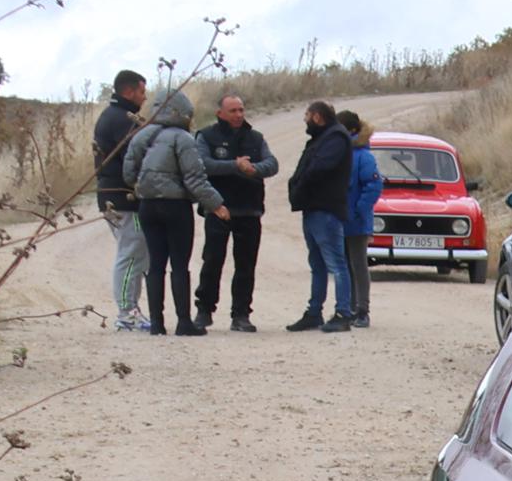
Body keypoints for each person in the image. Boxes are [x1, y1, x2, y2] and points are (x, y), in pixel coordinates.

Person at [122, 90, 225, 335]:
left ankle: (157, 323)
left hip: (147, 205)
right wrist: (217, 204)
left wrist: (142, 187)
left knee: (155, 264)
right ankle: (183, 322)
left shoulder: (140, 136)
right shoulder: (183, 138)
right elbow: (195, 178)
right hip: (176, 207)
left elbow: (128, 173)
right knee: (180, 264)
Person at [193, 90, 277, 333]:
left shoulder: (256, 137)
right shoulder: (207, 136)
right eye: (233, 110)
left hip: (249, 210)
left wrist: (253, 169)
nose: (239, 114)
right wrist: (234, 165)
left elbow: (272, 164)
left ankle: (241, 314)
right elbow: (202, 164)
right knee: (212, 261)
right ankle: (204, 310)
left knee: (246, 265)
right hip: (219, 209)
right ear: (220, 113)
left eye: (241, 110)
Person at [91, 69, 150, 329]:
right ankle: (126, 313)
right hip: (123, 198)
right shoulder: (120, 119)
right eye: (141, 91)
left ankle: (132, 310)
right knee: (131, 252)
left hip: (116, 196)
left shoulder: (118, 116)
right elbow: (136, 155)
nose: (145, 97)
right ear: (128, 91)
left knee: (137, 252)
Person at [284, 102, 350, 330]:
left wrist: (301, 185)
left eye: (307, 115)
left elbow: (319, 168)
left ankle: (343, 313)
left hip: (326, 210)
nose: (305, 119)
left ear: (318, 117)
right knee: (317, 264)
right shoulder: (322, 138)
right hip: (313, 209)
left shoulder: (336, 138)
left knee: (337, 264)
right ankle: (314, 312)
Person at [333, 115, 383, 331]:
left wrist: (356, 211)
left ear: (351, 129)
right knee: (343, 266)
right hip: (338, 219)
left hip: (356, 220)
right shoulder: (339, 152)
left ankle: (362, 310)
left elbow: (373, 186)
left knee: (359, 265)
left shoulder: (363, 156)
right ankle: (347, 308)